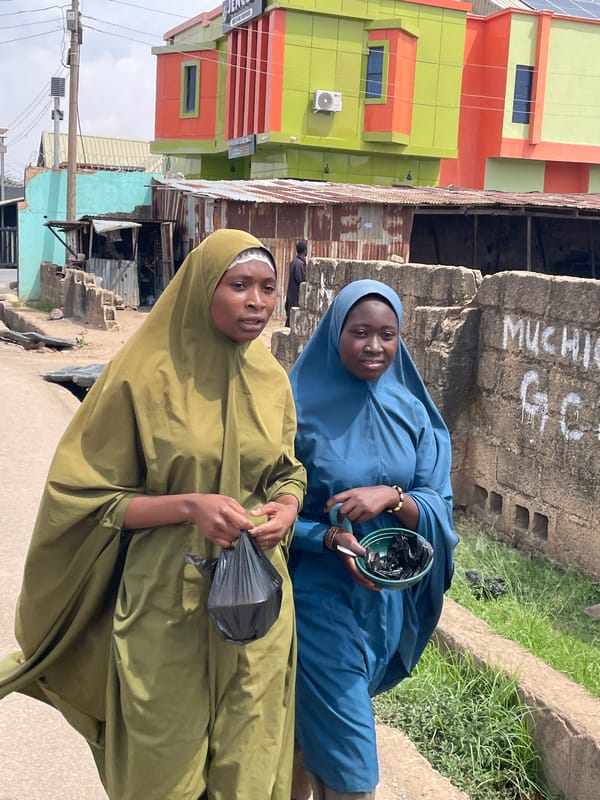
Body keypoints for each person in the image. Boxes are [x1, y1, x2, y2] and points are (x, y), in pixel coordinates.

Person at [0, 229, 307, 800]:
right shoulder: (143, 376)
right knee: (162, 774)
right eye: (239, 285)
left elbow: (288, 470)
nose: (258, 302)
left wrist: (286, 507)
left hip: (257, 609)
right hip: (166, 607)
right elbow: (84, 496)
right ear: (199, 290)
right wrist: (189, 506)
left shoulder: (270, 380)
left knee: (249, 766)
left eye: (268, 287)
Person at [288, 279, 458, 800]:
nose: (375, 346)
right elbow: (264, 507)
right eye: (359, 332)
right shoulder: (294, 406)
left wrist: (393, 497)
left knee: (308, 735)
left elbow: (438, 502)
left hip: (385, 602)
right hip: (319, 598)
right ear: (335, 331)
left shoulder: (412, 409)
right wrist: (329, 537)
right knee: (353, 765)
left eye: (388, 334)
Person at [284, 240, 307, 327]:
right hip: (296, 296)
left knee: (290, 319)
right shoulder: (299, 264)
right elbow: (301, 280)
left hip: (291, 295)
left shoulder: (294, 262)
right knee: (293, 321)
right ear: (305, 251)